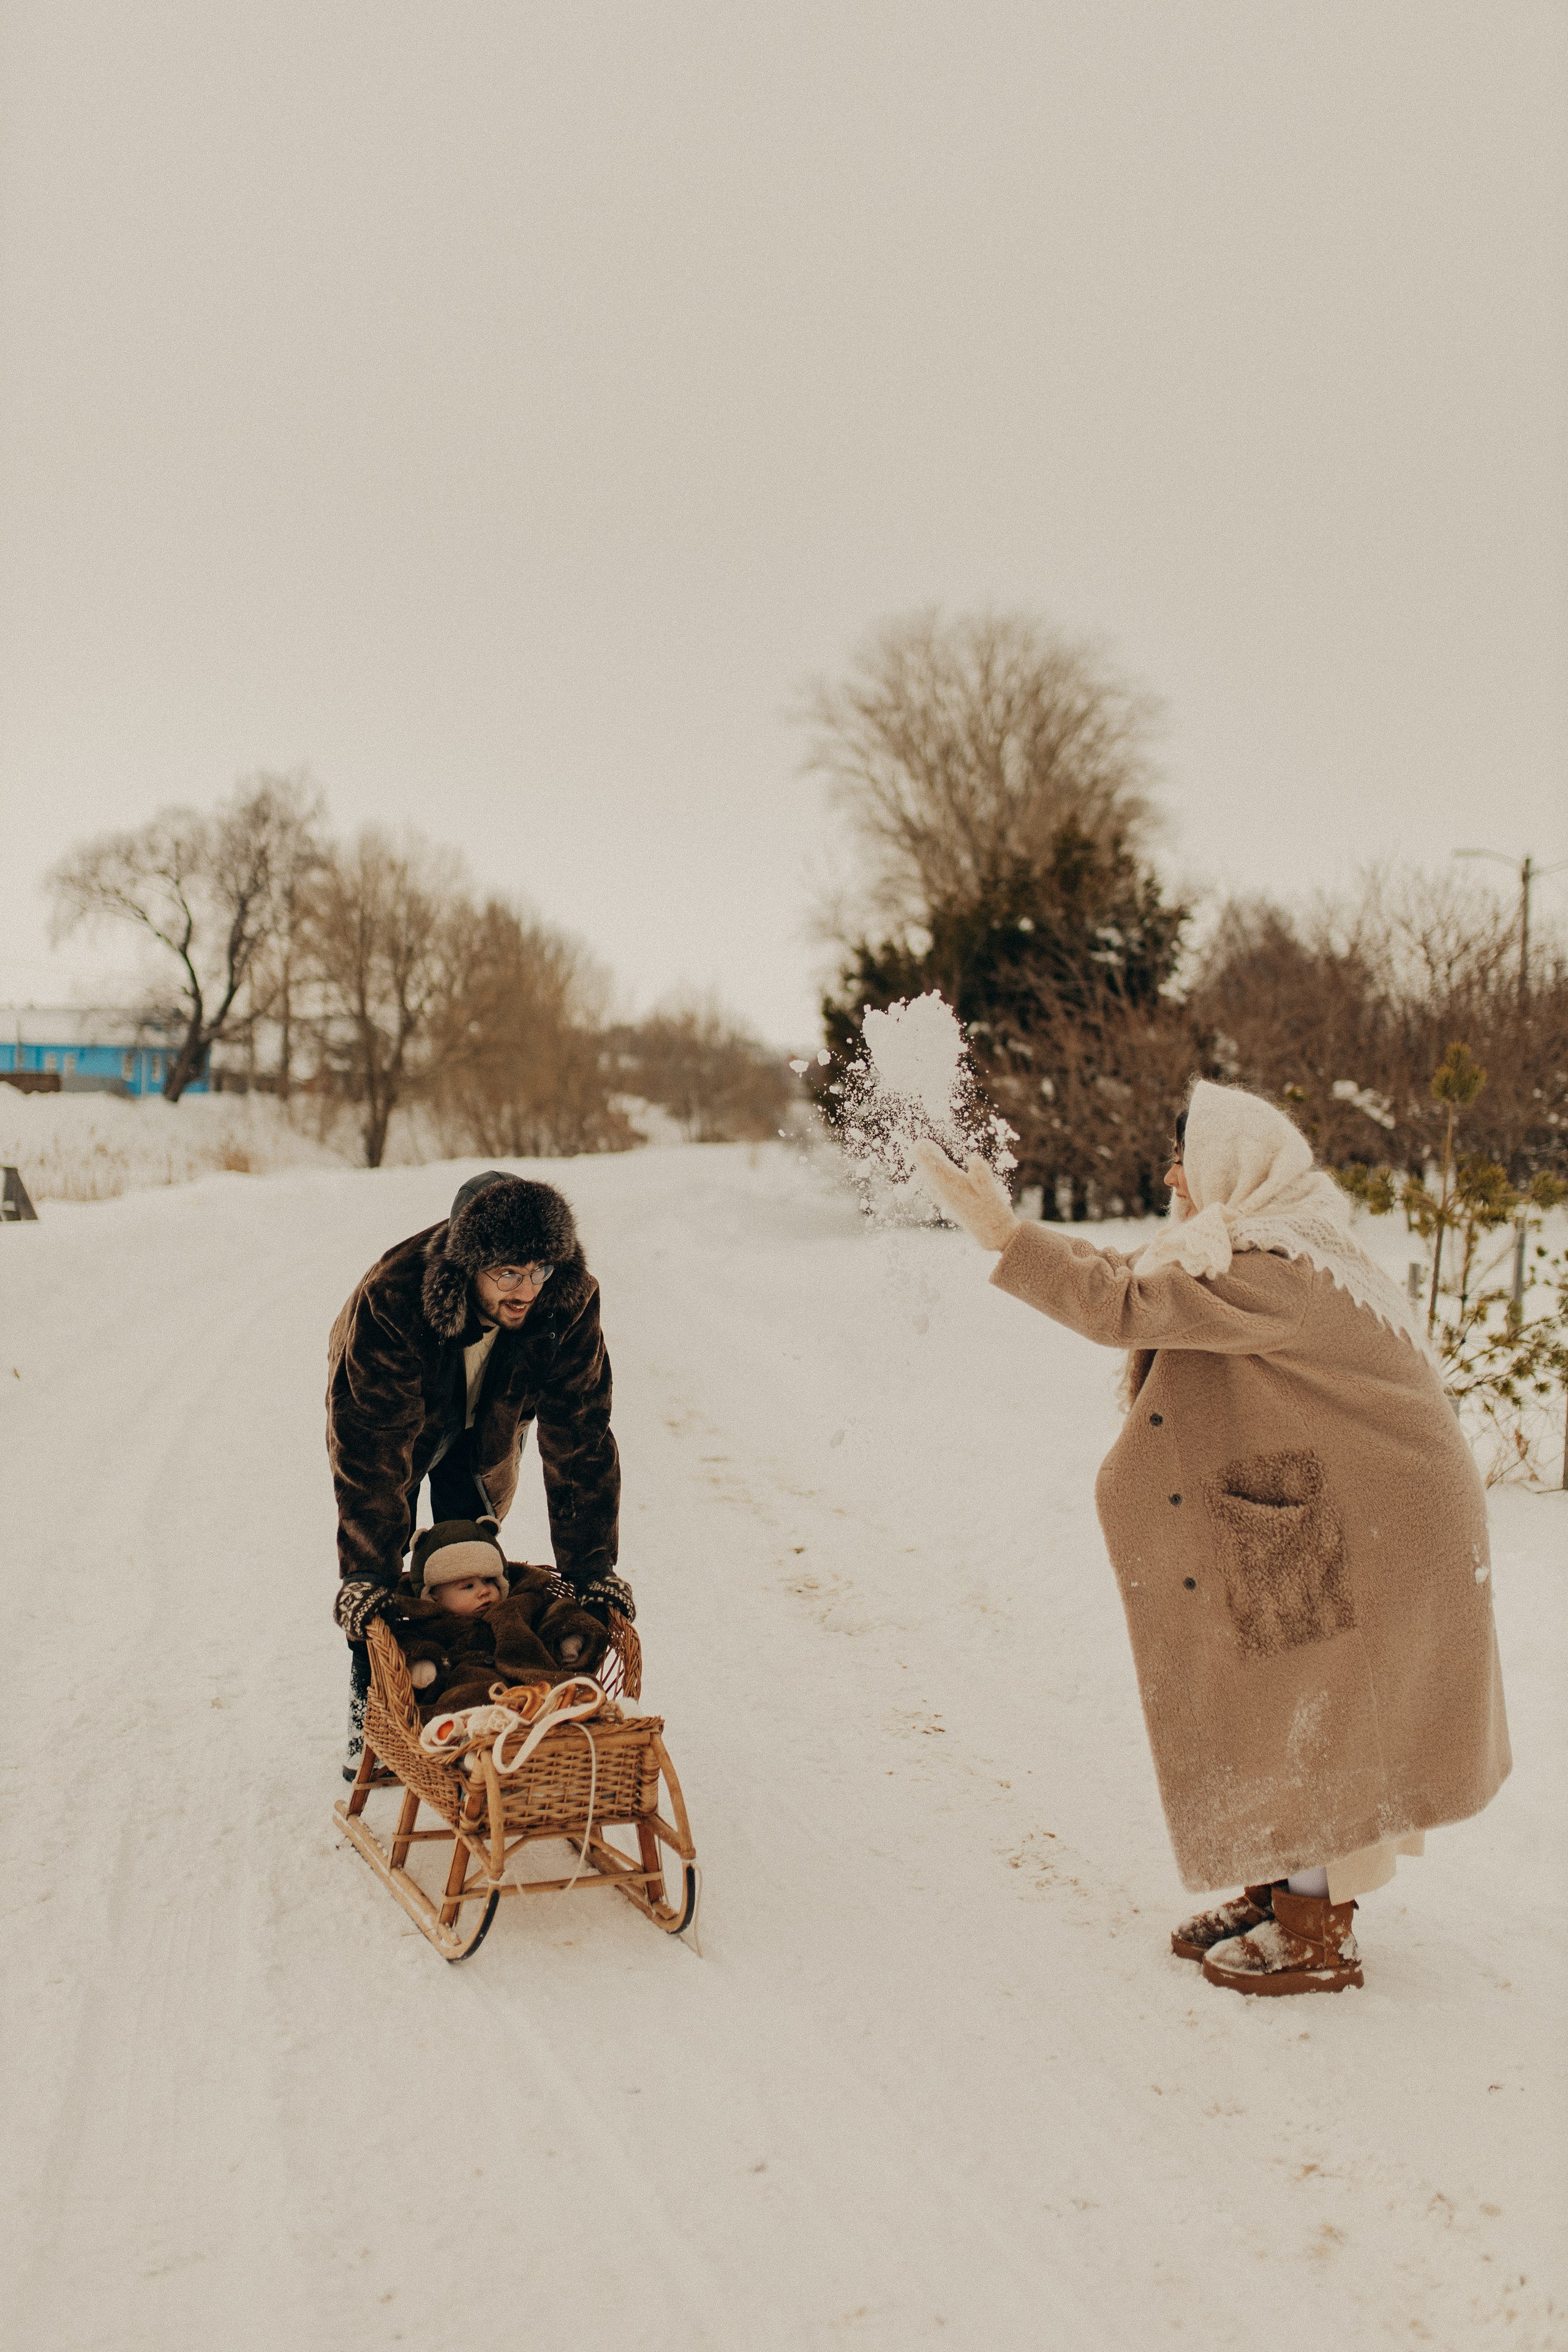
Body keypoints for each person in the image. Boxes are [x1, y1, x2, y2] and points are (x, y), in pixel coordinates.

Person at [913, 1082, 1510, 1996]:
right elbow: (1141, 1278)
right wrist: (1018, 1238)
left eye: (1182, 1158)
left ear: (1234, 1164)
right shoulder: (1265, 1244)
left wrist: (1005, 1236)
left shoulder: (1279, 1268)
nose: (1169, 1177)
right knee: (1277, 1702)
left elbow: (1125, 1302)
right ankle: (1280, 1891)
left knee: (1316, 1712)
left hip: (1375, 1526)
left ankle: (1316, 1933)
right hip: (1319, 1508)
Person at [326, 1170, 631, 1773]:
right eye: (508, 1273)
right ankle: (376, 1716)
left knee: (464, 1551)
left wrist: (592, 1567)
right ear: (467, 1266)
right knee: (382, 1573)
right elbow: (373, 1452)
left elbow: (581, 1435)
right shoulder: (393, 1297)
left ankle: (465, 1696)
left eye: (540, 1270)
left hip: (490, 1413)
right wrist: (365, 1574)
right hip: (394, 1408)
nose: (527, 1290)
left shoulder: (565, 1298)